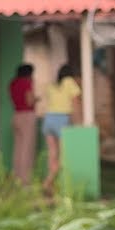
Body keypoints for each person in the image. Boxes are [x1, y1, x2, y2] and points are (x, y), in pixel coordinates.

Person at [40, 63, 82, 195]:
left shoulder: (52, 85)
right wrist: (79, 121)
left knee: (52, 153)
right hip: (61, 119)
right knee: (64, 155)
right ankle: (48, 182)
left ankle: (52, 185)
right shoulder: (69, 82)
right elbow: (76, 102)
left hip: (48, 119)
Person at [8, 63, 38, 184]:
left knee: (18, 149)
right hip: (27, 116)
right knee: (27, 149)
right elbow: (29, 101)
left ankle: (17, 177)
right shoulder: (26, 82)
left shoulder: (13, 83)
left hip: (16, 115)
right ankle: (26, 181)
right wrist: (37, 99)